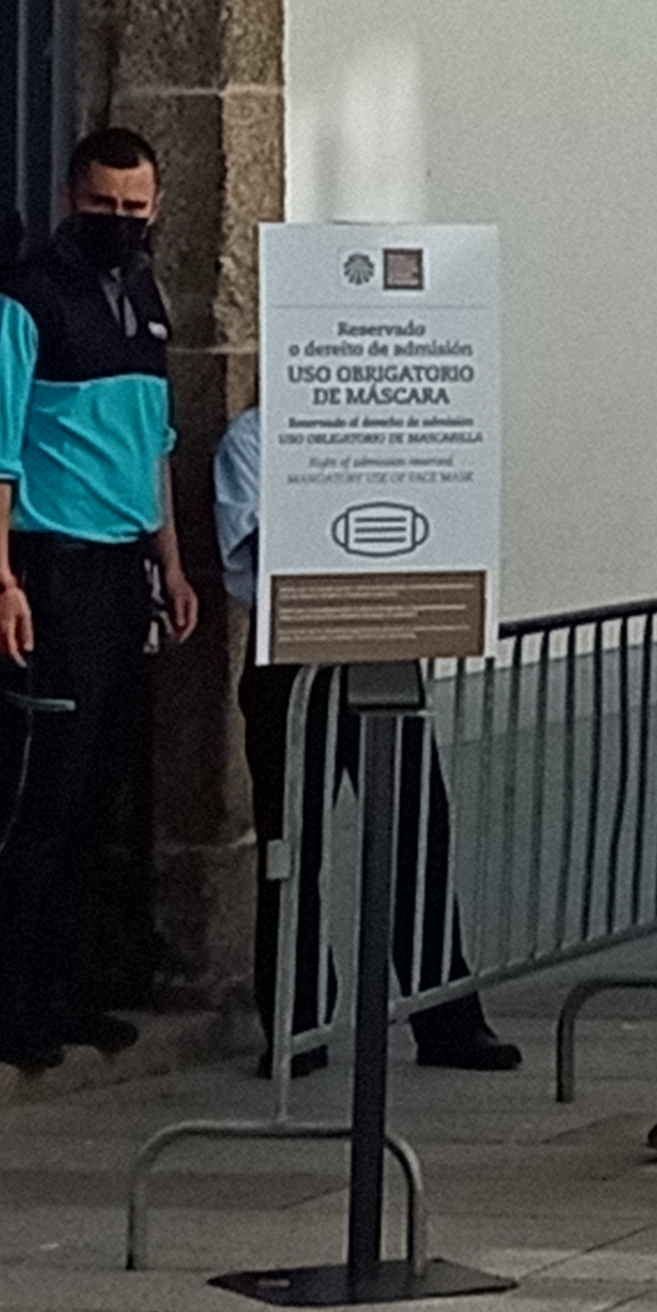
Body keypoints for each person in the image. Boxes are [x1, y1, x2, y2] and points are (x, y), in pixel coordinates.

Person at [0, 128, 198, 1069]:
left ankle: (65, 987)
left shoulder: (144, 297)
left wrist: (171, 566)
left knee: (100, 794)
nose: (122, 224)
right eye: (104, 208)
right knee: (38, 795)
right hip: (47, 569)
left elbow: (156, 446)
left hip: (122, 570)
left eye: (137, 210)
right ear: (68, 199)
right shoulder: (20, 306)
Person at [214, 407, 519, 1078]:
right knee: (291, 847)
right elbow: (251, 551)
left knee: (418, 828)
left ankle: (446, 1017)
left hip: (383, 641)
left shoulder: (382, 434)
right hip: (294, 656)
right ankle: (297, 1025)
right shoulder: (254, 438)